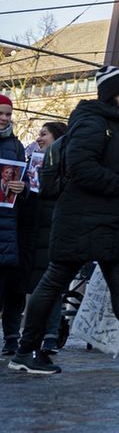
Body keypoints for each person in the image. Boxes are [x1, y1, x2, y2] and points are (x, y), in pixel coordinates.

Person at [9, 66, 119, 374]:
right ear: (114, 94)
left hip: (112, 220)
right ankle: (25, 351)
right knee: (54, 282)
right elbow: (80, 166)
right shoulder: (93, 121)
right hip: (83, 219)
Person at [18, 121, 66, 355]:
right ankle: (33, 335)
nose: (38, 138)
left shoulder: (65, 163)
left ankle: (49, 335)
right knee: (37, 285)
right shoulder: (31, 160)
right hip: (34, 228)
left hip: (53, 228)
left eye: (43, 134)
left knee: (51, 285)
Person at [0, 95, 26, 356]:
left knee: (11, 287)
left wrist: (22, 187)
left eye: (8, 114)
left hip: (10, 225)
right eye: (1, 113)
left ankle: (11, 339)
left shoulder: (16, 146)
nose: (5, 118)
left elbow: (26, 181)